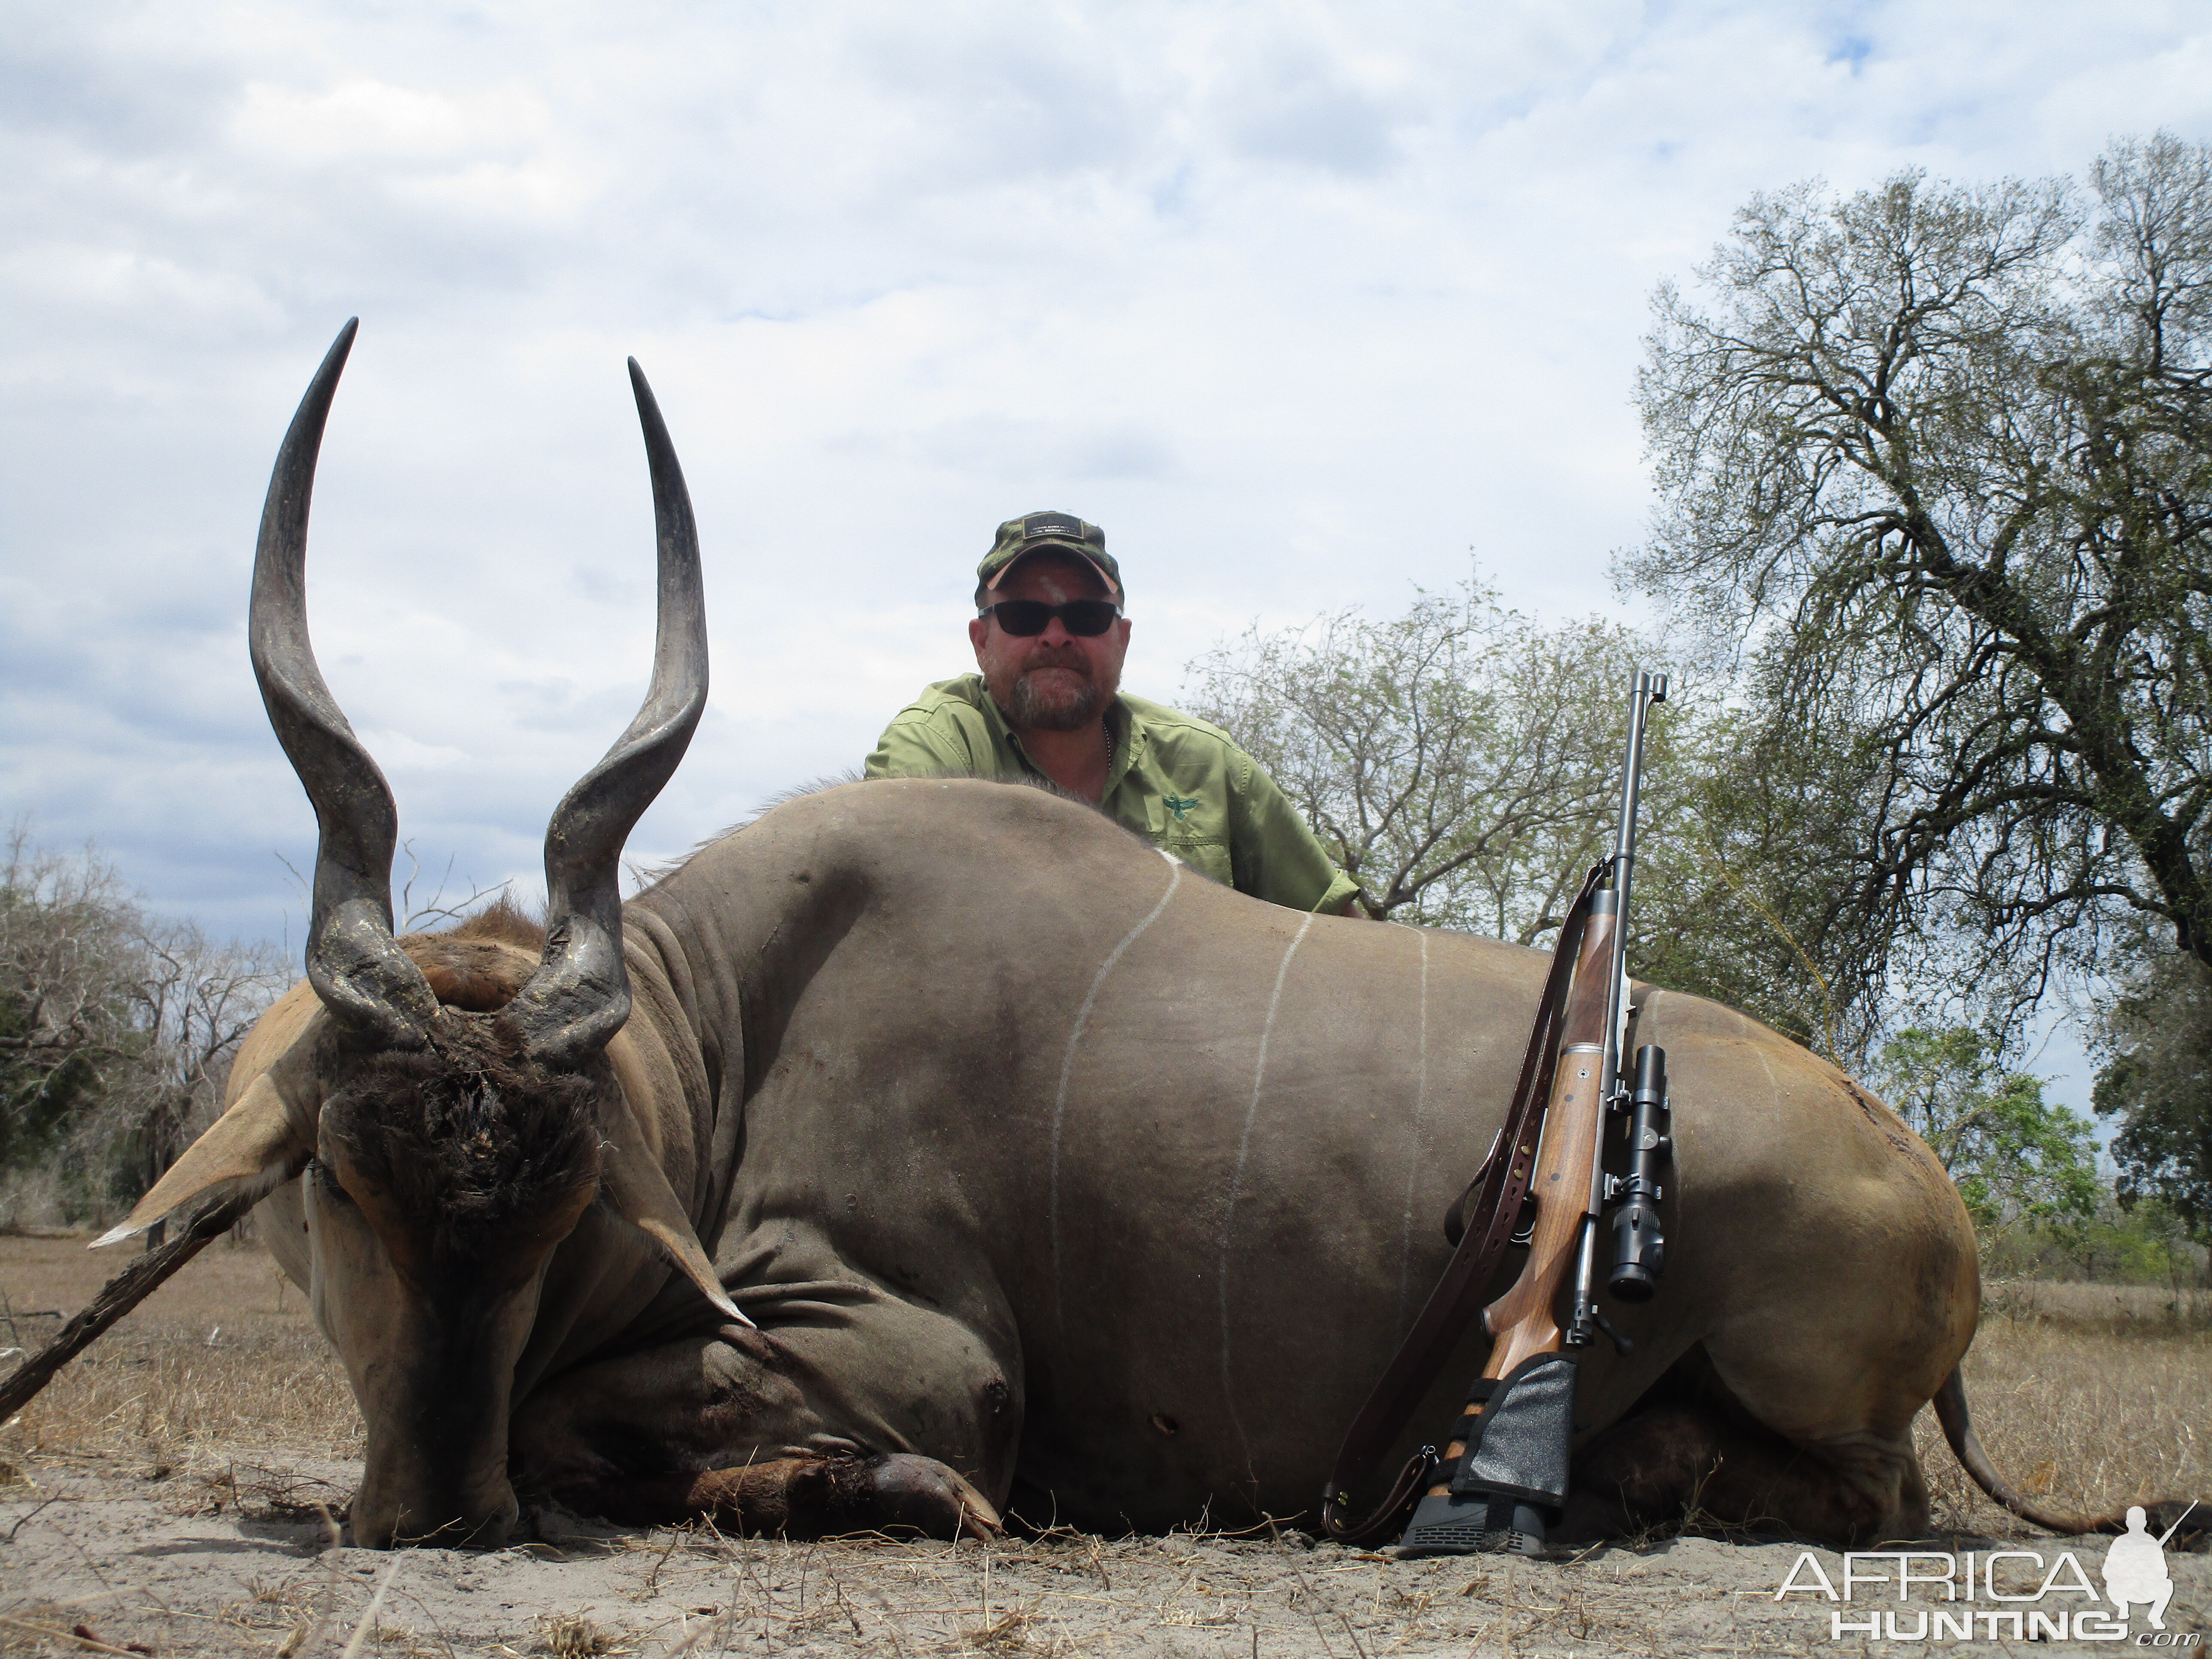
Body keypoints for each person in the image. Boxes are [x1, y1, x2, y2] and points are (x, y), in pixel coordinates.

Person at [865, 511, 1362, 916]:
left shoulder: (1207, 762)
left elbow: (1338, 931)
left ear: (1121, 640)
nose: (1056, 636)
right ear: (981, 642)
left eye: (1086, 617)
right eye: (1024, 616)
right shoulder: (935, 749)